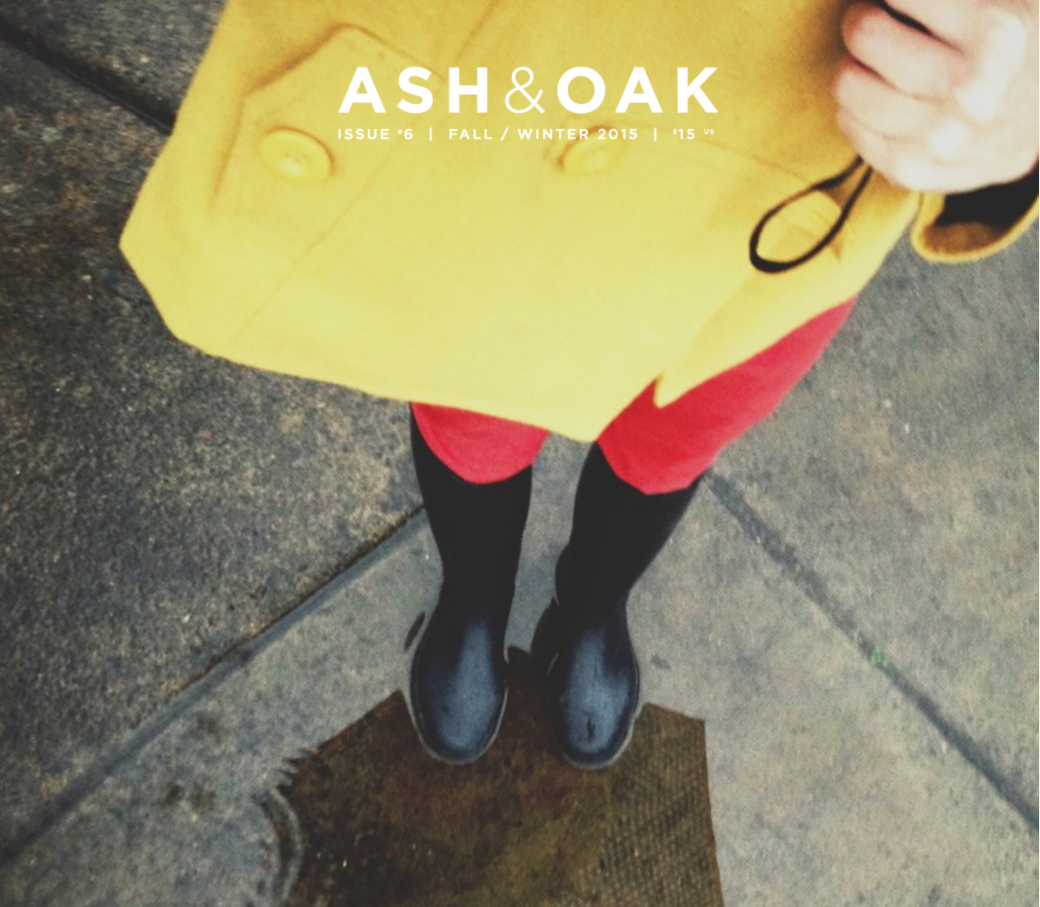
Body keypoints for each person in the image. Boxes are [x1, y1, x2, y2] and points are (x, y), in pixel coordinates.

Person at [121, 0, 1038, 768]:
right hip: (513, 101)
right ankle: (474, 597)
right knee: (475, 404)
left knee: (680, 428)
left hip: (785, 170)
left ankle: (592, 603)